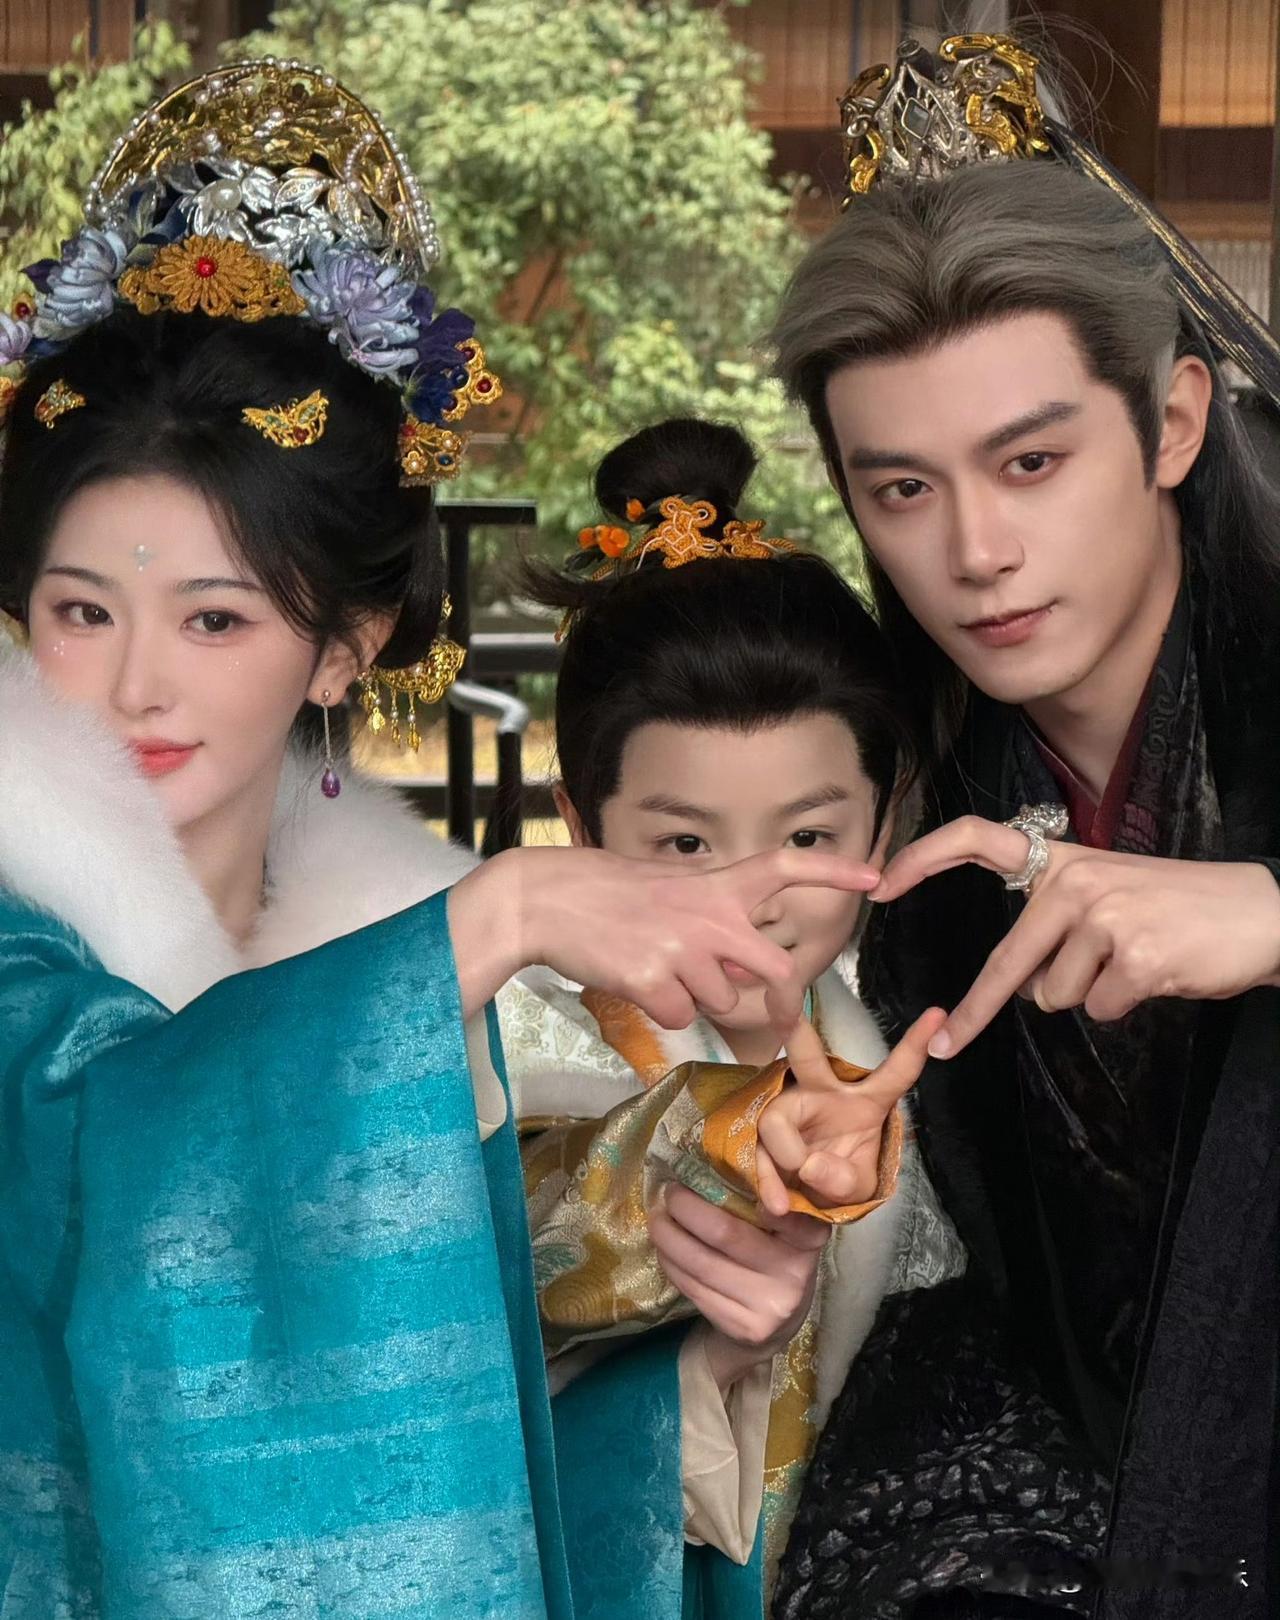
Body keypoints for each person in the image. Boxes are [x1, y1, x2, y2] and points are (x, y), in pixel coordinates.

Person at [0, 61, 880, 1619]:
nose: (136, 685)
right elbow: (94, 1166)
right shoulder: (94, 953)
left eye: (216, 618)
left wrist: (705, 1329)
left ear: (343, 650)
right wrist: (497, 920)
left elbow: (442, 1439)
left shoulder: (389, 978)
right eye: (82, 611)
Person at [766, 31, 1280, 1620]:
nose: (976, 550)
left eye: (1033, 461)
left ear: (1173, 423)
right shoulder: (918, 817)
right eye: (902, 491)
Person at [497, 417, 966, 1619]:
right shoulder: (508, 1054)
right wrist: (734, 1134)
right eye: (683, 844)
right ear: (579, 825)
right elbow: (546, 1226)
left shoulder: (919, 1055)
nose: (752, 898)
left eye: (806, 835)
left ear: (885, 820)